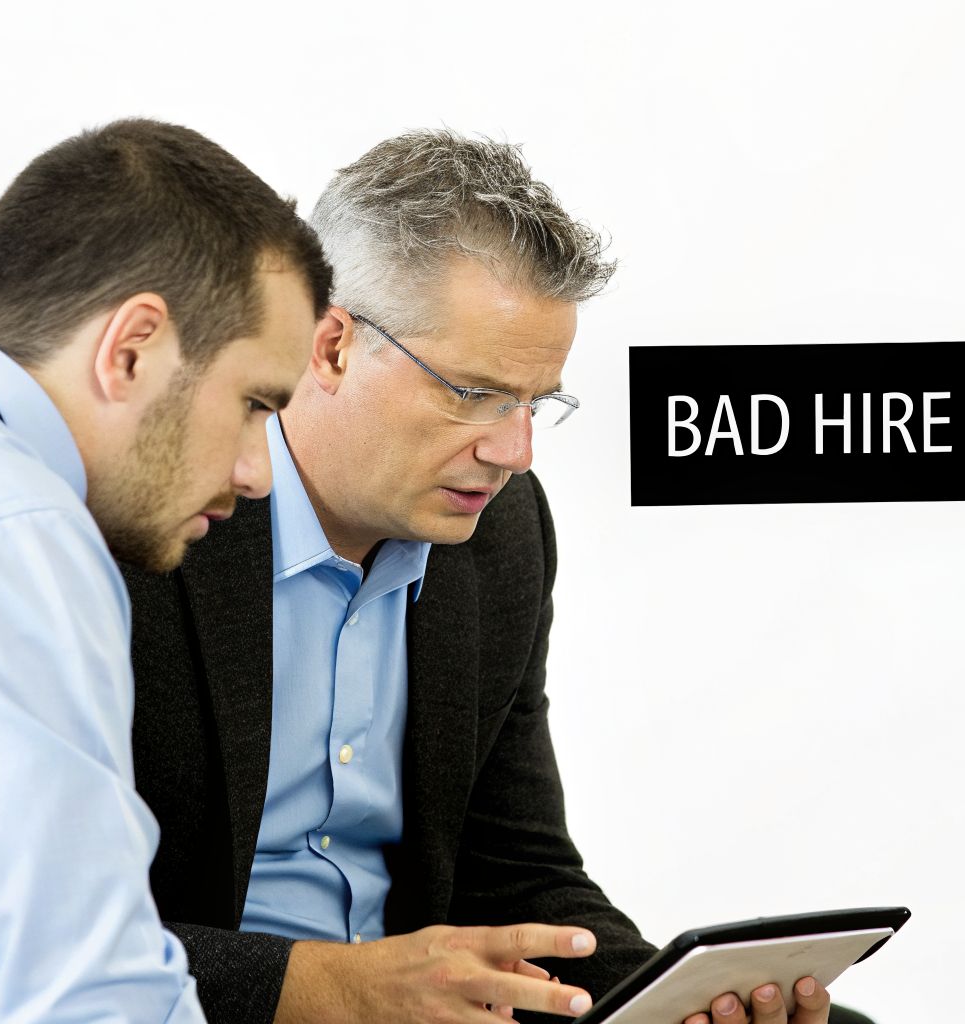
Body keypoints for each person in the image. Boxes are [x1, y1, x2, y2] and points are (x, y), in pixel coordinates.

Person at [120, 130, 860, 1024]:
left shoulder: (502, 532)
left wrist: (672, 1003)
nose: (513, 451)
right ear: (331, 346)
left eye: (534, 401)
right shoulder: (146, 518)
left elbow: (518, 871)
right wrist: (337, 989)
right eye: (471, 394)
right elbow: (42, 928)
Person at [0, 119, 330, 1022]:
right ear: (131, 348)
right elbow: (91, 998)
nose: (256, 471)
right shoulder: (11, 532)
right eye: (253, 405)